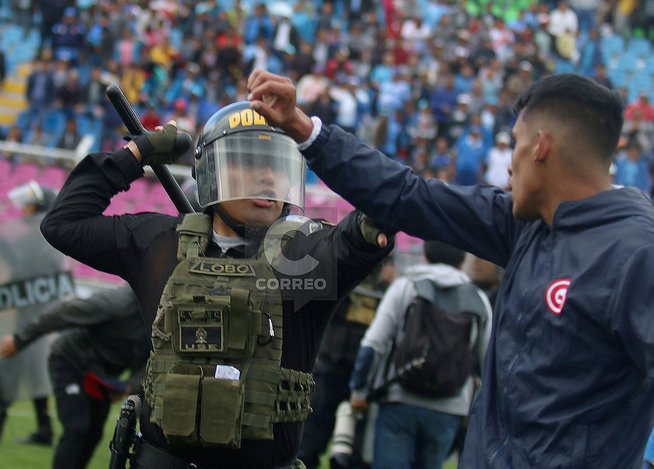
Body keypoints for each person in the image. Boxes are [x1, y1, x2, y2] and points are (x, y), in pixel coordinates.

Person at [246, 69, 654, 467]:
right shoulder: (524, 226)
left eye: (515, 144)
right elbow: (408, 196)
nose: (509, 166)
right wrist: (305, 129)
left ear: (540, 147)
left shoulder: (636, 254)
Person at [40, 101, 392, 468]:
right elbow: (63, 223)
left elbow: (362, 232)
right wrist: (137, 152)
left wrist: (370, 216)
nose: (268, 176)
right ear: (212, 171)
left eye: (277, 163)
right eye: (250, 160)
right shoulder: (159, 243)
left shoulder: (309, 256)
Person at [348, 241, 491, 469]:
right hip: (449, 408)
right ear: (464, 259)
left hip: (398, 398)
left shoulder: (406, 286)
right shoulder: (479, 300)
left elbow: (373, 343)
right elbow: (488, 365)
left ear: (424, 253)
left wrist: (359, 391)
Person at [0, 284, 149, 469]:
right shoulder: (118, 302)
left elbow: (149, 361)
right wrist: (20, 339)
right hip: (70, 361)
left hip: (102, 377)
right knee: (77, 427)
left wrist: (128, 386)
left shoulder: (162, 318)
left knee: (94, 434)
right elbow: (64, 312)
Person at [298, 261, 394, 469]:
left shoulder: (389, 289)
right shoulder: (343, 276)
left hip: (365, 377)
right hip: (330, 368)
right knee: (309, 444)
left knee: (355, 455)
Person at [0, 180, 68, 446]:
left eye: (29, 206)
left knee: (9, 375)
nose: (24, 210)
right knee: (33, 372)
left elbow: (23, 274)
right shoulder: (41, 239)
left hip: (32, 320)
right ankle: (45, 430)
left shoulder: (41, 241)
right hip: (33, 319)